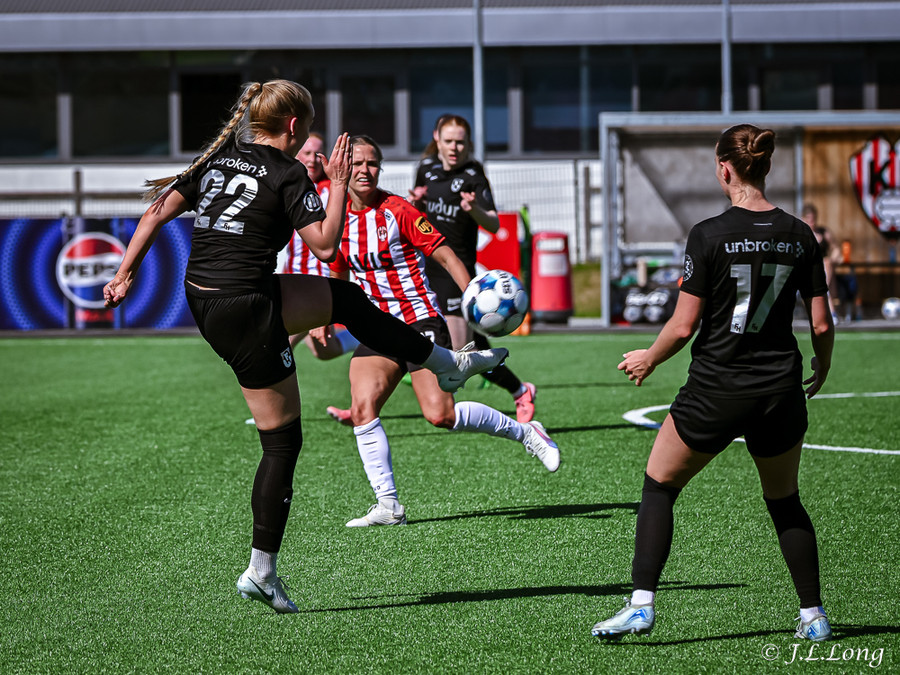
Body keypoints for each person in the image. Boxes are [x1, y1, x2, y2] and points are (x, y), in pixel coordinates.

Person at [102, 80, 508, 615]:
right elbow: (326, 244)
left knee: (346, 300)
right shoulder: (287, 171)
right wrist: (336, 185)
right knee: (282, 443)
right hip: (248, 306)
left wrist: (123, 273)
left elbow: (156, 213)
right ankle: (261, 572)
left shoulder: (219, 158)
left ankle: (445, 363)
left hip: (206, 300)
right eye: (310, 126)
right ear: (293, 126)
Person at [591, 124, 835, 642]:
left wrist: (648, 359)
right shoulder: (800, 234)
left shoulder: (708, 234)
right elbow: (820, 323)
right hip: (779, 391)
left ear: (725, 169)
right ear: (764, 166)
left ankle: (641, 606)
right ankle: (813, 615)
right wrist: (825, 363)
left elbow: (684, 326)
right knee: (784, 500)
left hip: (716, 389)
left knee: (659, 486)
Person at [329, 135, 559, 527]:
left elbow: (447, 256)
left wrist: (473, 301)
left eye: (372, 163)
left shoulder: (398, 210)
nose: (365, 170)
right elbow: (337, 270)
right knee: (363, 408)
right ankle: (388, 505)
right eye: (357, 163)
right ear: (343, 168)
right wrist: (328, 319)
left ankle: (527, 433)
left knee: (441, 415)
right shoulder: (336, 218)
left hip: (418, 321)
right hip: (375, 327)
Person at [412, 115, 537, 421]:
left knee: (461, 352)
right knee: (460, 345)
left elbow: (493, 224)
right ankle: (365, 407)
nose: (454, 147)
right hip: (426, 269)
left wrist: (474, 209)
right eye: (448, 141)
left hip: (457, 271)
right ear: (437, 139)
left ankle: (518, 390)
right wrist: (416, 203)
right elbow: (418, 216)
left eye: (460, 142)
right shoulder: (426, 169)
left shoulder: (473, 173)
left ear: (468, 143)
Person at [281, 131, 359, 360]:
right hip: (291, 278)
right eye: (307, 153)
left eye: (317, 154)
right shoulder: (287, 185)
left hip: (319, 281)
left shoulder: (333, 190)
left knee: (280, 340)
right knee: (324, 351)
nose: (312, 159)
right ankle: (371, 336)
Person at [801, 203, 841, 323]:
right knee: (826, 270)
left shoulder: (823, 232)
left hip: (824, 269)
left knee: (827, 262)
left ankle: (829, 308)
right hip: (806, 270)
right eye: (809, 219)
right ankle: (831, 312)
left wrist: (834, 258)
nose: (811, 222)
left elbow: (836, 249)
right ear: (803, 219)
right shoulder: (801, 235)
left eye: (813, 219)